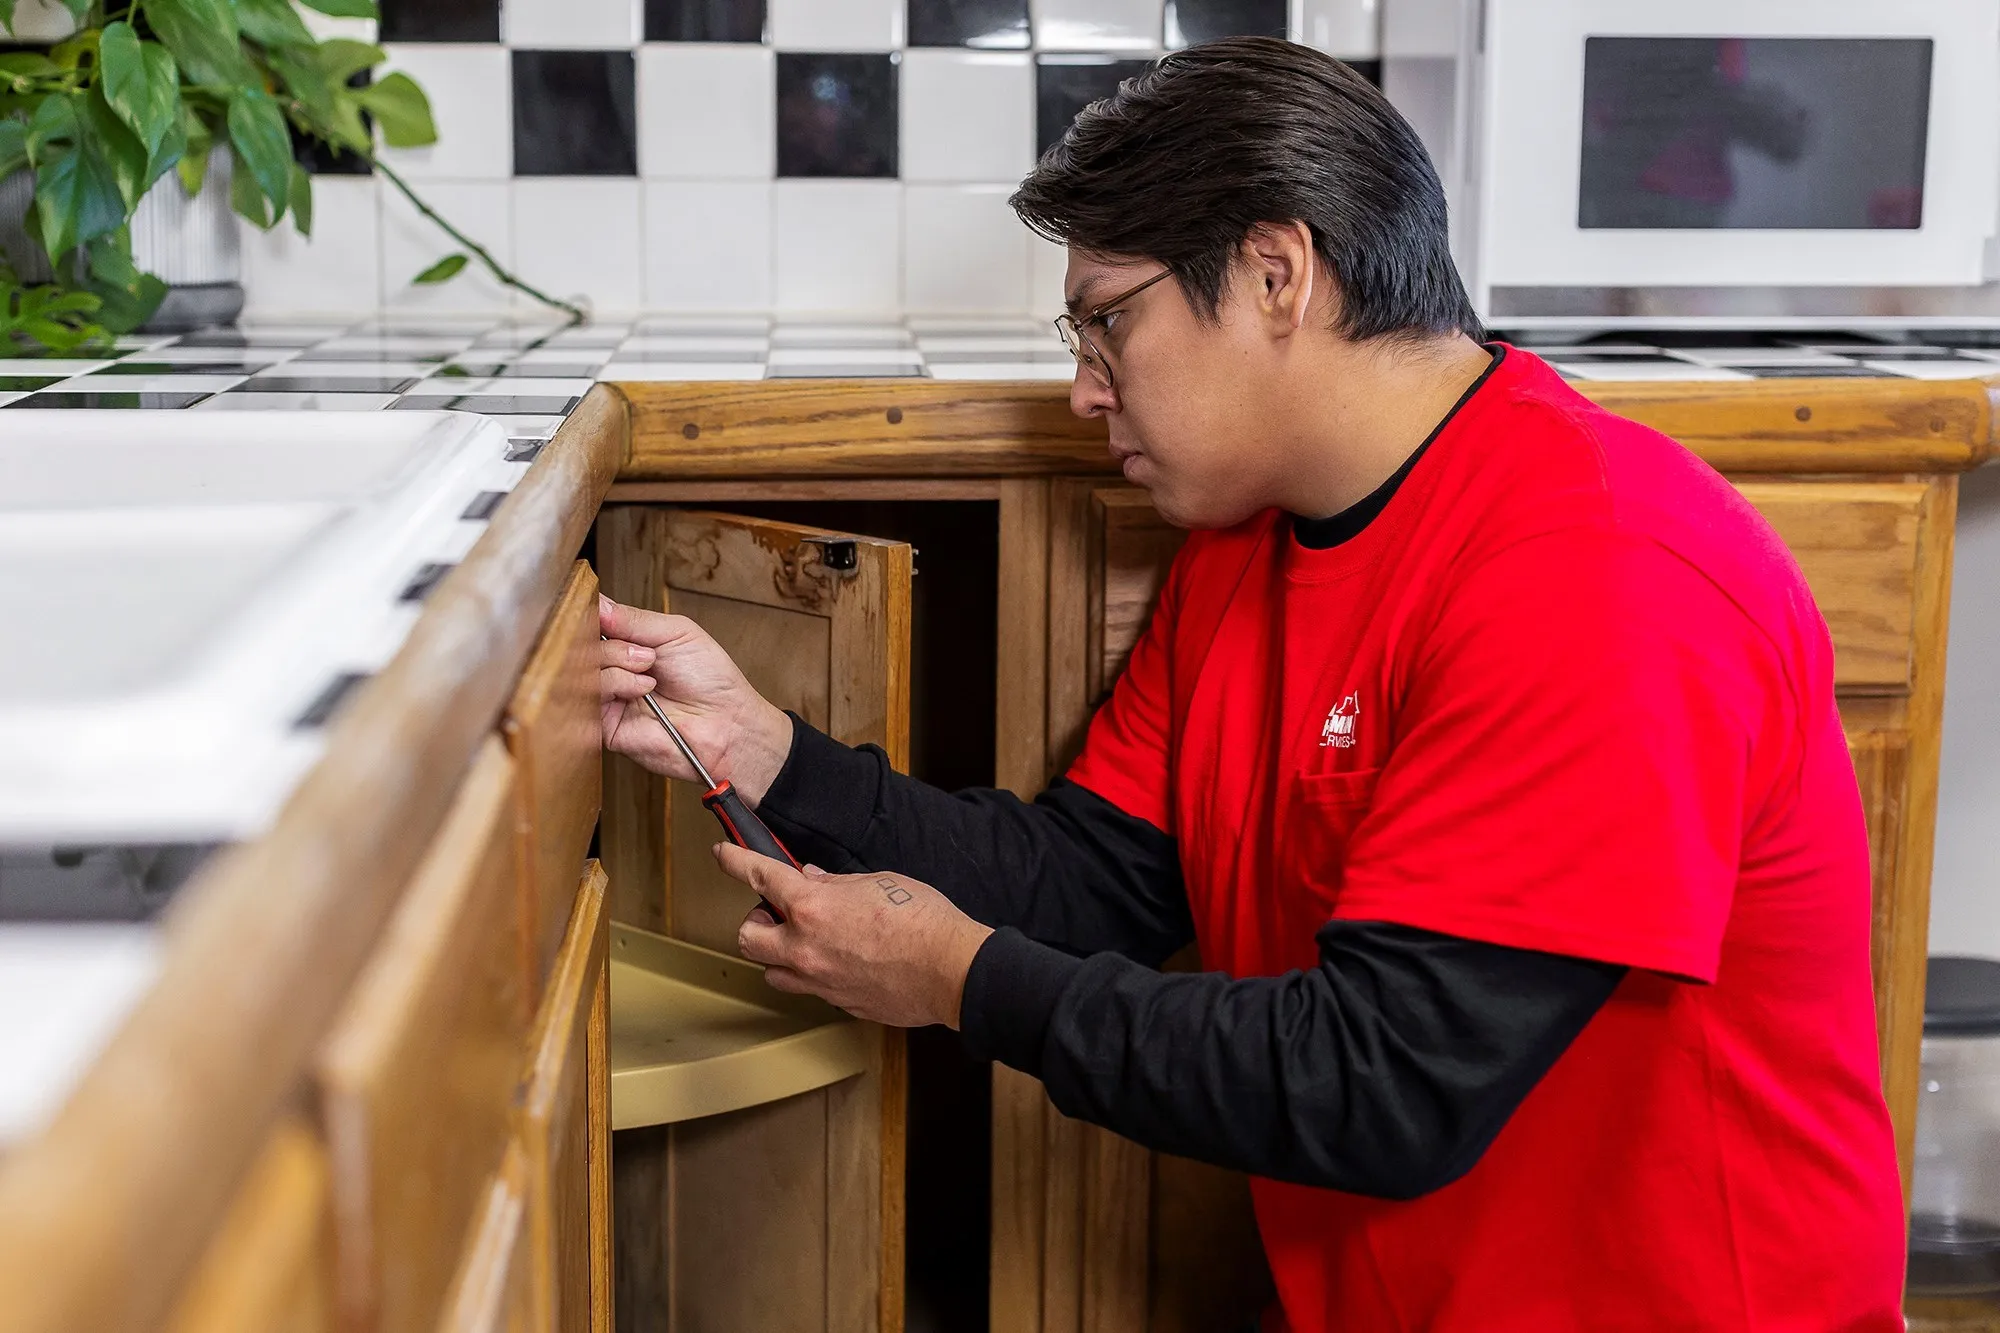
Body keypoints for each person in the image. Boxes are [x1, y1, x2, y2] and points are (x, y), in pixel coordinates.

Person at [598, 37, 1904, 1332]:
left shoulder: (1600, 570)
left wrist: (957, 979)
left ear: (1278, 274)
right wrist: (770, 755)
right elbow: (1091, 885)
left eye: (1107, 321)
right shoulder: (1244, 551)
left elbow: (1389, 1084)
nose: (1083, 390)